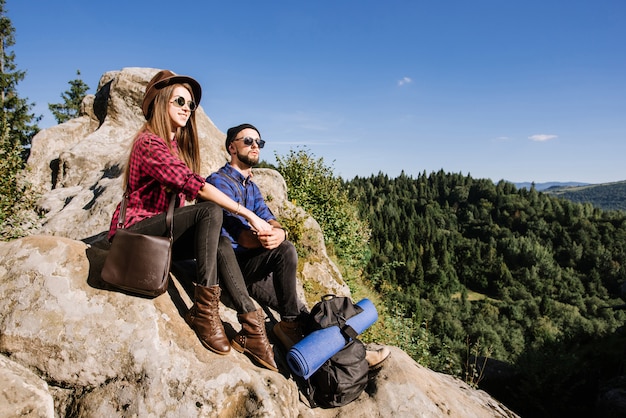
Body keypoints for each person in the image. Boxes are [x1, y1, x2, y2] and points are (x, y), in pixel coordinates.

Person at [107, 71, 277, 371]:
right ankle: (205, 310)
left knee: (222, 241)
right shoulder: (149, 143)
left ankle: (251, 324)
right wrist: (247, 214)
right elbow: (195, 186)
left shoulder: (173, 147)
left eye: (191, 103)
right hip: (137, 233)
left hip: (162, 233)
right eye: (180, 101)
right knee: (209, 210)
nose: (188, 107)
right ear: (161, 103)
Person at [207, 123, 390, 369]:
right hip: (231, 268)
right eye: (248, 141)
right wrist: (268, 240)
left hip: (252, 267)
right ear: (232, 146)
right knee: (286, 251)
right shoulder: (220, 181)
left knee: (301, 312)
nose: (255, 146)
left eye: (258, 143)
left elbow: (269, 217)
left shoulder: (251, 186)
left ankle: (353, 355)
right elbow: (239, 235)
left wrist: (280, 233)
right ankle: (296, 333)